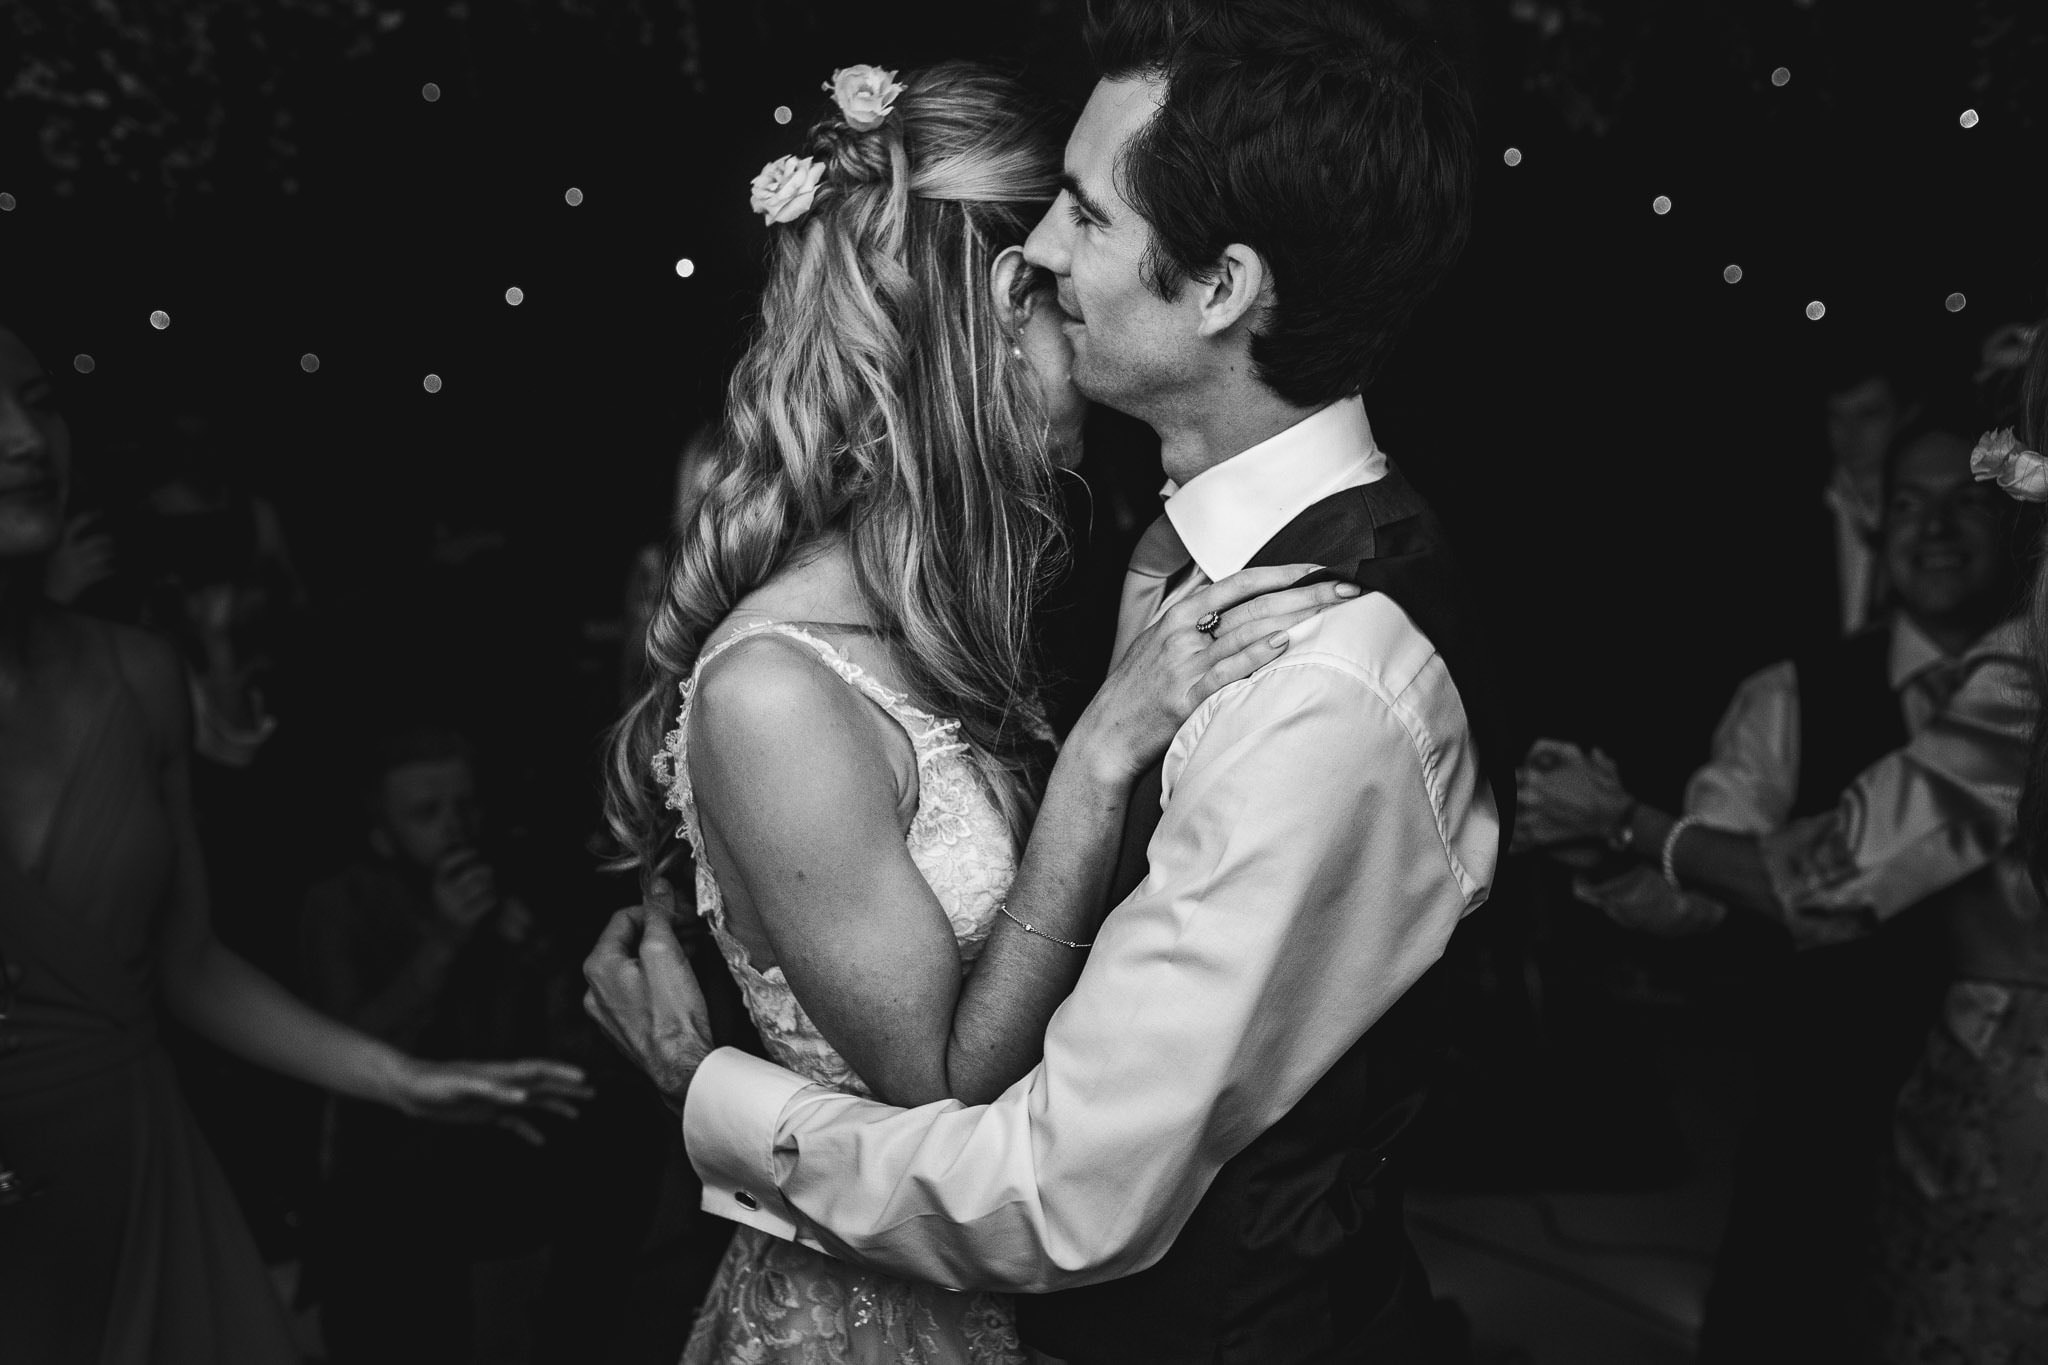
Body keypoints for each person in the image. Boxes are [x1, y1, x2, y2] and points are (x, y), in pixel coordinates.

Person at [587, 6, 1503, 1363]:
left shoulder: (1321, 671)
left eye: (1082, 213)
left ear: (1220, 288)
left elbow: (1060, 1191)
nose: (1052, 257)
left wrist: (704, 1092)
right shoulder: (1148, 573)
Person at [0, 321, 592, 1365]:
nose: (23, 438)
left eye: (40, 400)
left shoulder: (139, 675)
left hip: (142, 1172)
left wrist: (395, 1079)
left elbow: (186, 963)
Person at [1514, 392, 2047, 1362]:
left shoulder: (2023, 687)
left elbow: (1832, 872)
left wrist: (1625, 823)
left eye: (1962, 503)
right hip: (1822, 1135)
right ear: (1874, 521)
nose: (1931, 529)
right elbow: (1702, 884)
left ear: (2009, 523)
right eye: (1906, 503)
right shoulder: (1790, 695)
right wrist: (1603, 846)